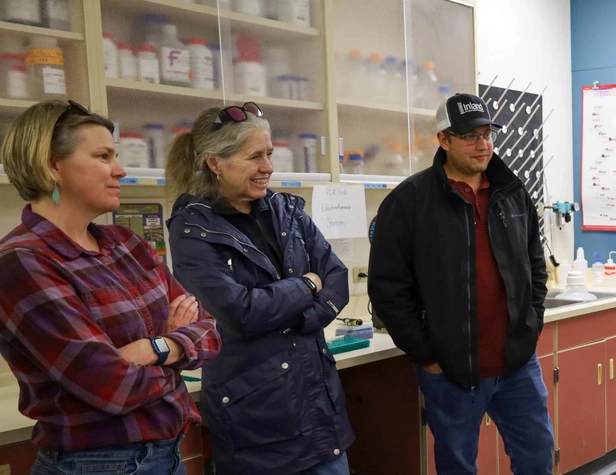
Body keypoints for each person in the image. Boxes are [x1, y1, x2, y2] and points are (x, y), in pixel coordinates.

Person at [0, 100, 221, 475]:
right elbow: (112, 386)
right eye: (103, 156)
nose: (119, 170)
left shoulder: (126, 244)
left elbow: (210, 332)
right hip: (96, 464)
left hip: (166, 454)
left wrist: (155, 347)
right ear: (52, 166)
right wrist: (176, 349)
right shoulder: (22, 262)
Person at [369, 93, 553, 474]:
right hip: (451, 370)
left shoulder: (512, 193)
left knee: (538, 456)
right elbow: (388, 288)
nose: (482, 144)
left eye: (487, 134)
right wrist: (428, 356)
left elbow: (535, 266)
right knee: (457, 466)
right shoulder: (410, 201)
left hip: (517, 363)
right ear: (443, 140)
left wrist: (531, 324)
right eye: (470, 136)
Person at [165, 103, 353, 475]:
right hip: (256, 420)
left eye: (268, 154)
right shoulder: (192, 230)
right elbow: (242, 314)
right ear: (215, 162)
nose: (268, 166)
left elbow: (336, 276)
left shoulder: (287, 211)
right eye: (254, 156)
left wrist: (298, 318)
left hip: (318, 406)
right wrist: (305, 285)